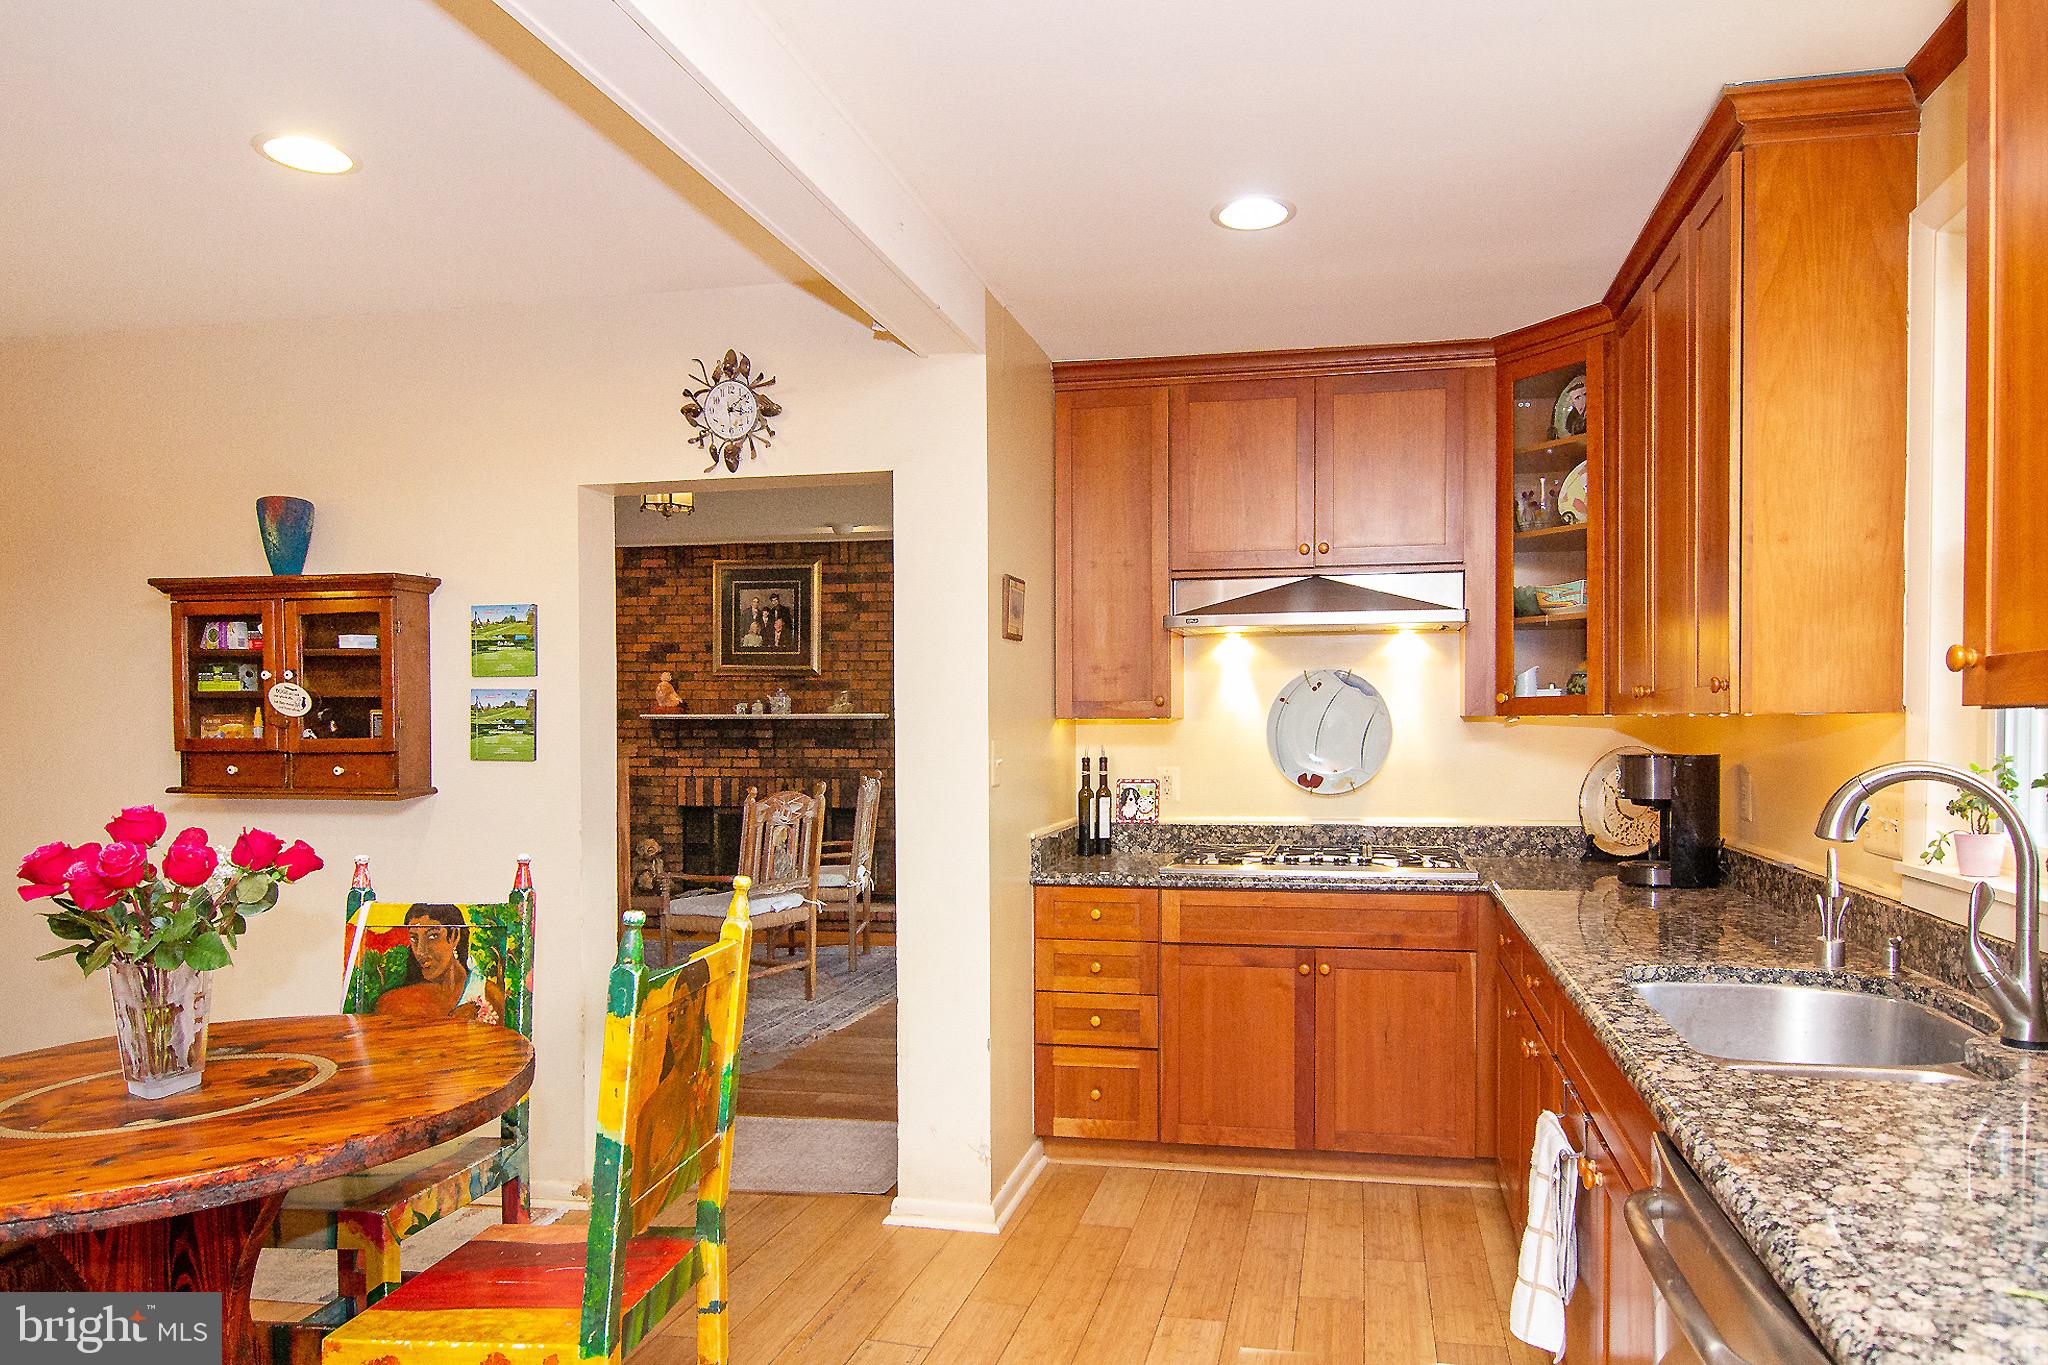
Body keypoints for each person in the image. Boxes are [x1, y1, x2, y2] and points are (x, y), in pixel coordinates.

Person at [372, 904, 506, 1025]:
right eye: (414, 938)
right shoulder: (394, 1003)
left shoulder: (488, 994)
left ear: (454, 935)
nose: (420, 951)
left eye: (432, 936)